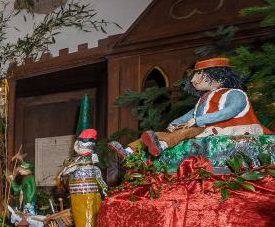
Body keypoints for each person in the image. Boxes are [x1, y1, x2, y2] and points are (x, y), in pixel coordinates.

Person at [111, 57, 272, 158]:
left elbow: (229, 111)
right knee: (158, 134)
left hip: (225, 130)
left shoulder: (235, 94)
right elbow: (191, 114)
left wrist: (199, 120)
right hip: (205, 129)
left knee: (187, 132)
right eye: (194, 75)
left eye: (200, 75)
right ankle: (129, 151)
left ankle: (162, 146)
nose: (194, 80)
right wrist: (176, 122)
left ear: (220, 76)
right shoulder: (204, 98)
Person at [59, 129, 108, 227]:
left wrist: (105, 192)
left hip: (87, 196)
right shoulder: (78, 163)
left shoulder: (85, 164)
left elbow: (101, 181)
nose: (76, 145)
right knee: (82, 219)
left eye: (80, 142)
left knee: (88, 219)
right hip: (78, 196)